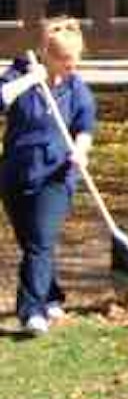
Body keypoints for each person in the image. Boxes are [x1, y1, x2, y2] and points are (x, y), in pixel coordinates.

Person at [0, 17, 96, 335]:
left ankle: (31, 312)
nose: (71, 67)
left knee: (39, 242)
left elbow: (84, 126)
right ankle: (52, 295)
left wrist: (80, 150)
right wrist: (32, 79)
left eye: (74, 61)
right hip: (15, 174)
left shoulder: (75, 87)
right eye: (65, 61)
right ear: (47, 54)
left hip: (56, 175)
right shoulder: (18, 74)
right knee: (34, 243)